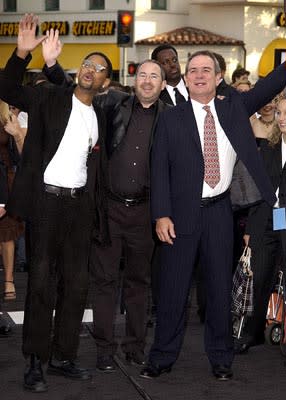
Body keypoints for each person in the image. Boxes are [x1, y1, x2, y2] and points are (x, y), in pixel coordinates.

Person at [140, 50, 286, 381]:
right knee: (173, 291)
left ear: (219, 78)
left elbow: (273, 82)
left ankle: (221, 359)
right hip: (180, 216)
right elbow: (159, 169)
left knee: (219, 290)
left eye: (207, 70)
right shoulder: (171, 118)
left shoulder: (234, 108)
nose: (199, 74)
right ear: (186, 79)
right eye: (193, 70)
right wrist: (161, 215)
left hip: (220, 213)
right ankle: (161, 357)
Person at [0, 14, 110, 392]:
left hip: (79, 208)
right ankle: (35, 360)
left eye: (98, 68)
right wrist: (22, 53)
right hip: (47, 204)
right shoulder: (49, 96)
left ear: (106, 83)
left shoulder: (102, 114)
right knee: (42, 282)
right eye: (86, 64)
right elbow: (7, 86)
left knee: (77, 285)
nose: (89, 70)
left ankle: (63, 356)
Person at [235, 96, 286, 354]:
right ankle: (250, 333)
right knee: (259, 276)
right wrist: (250, 232)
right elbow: (257, 194)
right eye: (279, 113)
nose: (282, 119)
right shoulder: (269, 147)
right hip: (267, 219)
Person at [0, 100, 24, 301]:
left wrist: (16, 134)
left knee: (7, 234)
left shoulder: (7, 118)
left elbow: (21, 154)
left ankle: (9, 280)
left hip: (5, 179)